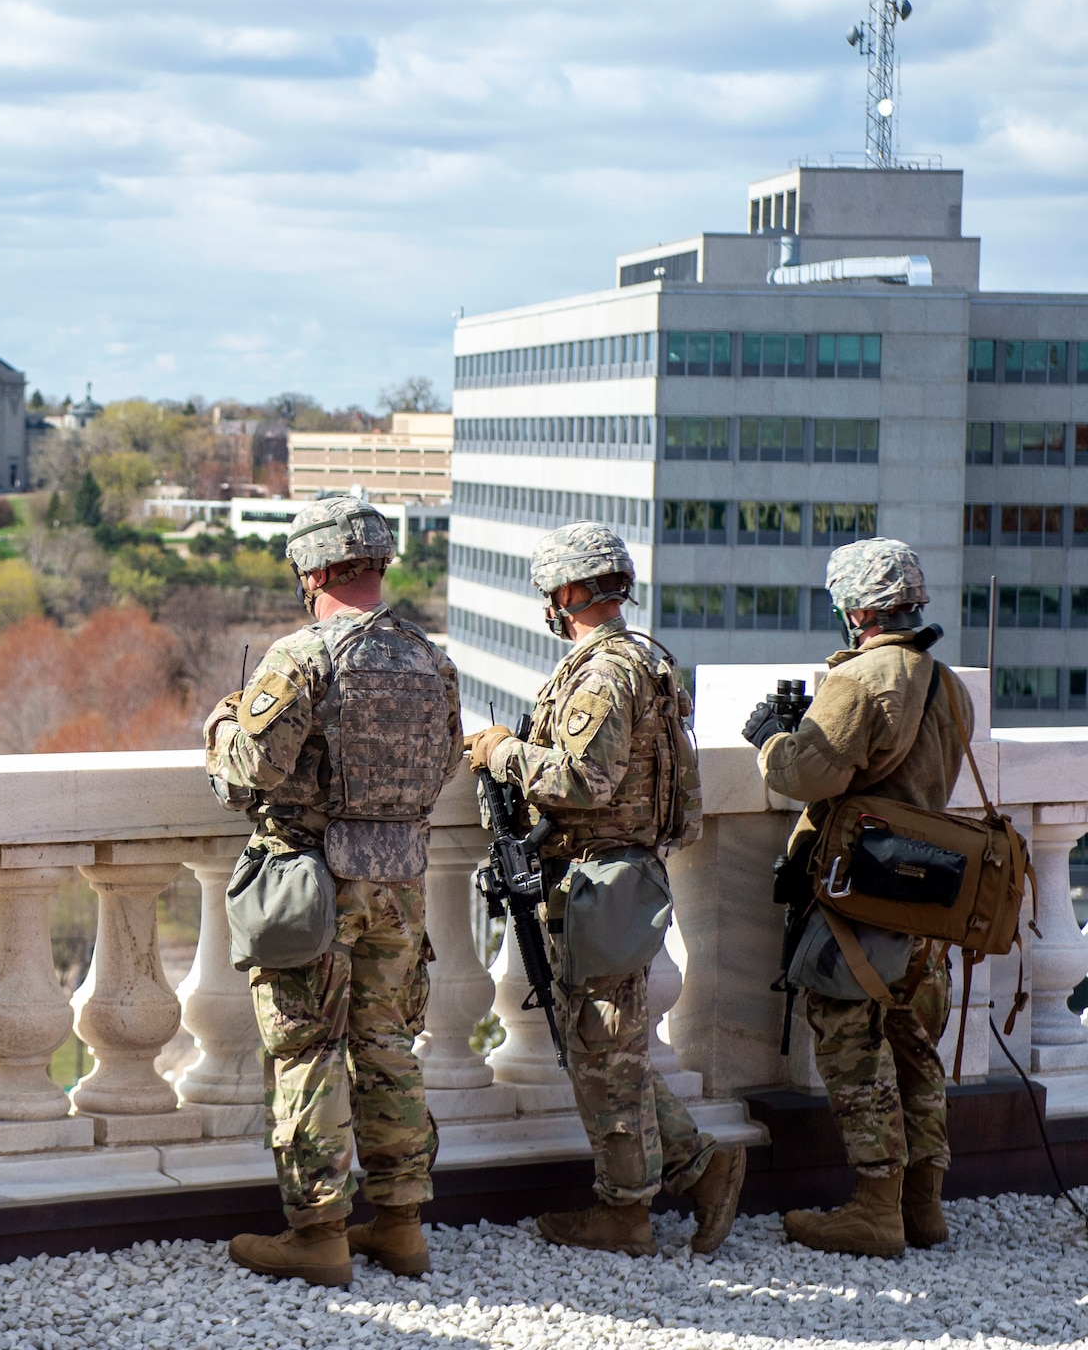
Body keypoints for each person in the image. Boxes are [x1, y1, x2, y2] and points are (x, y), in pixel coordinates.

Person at [466, 522, 744, 1259]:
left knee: (601, 1048)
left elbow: (582, 780)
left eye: (551, 594)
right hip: (612, 878)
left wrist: (502, 750)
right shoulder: (648, 660)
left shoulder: (601, 673)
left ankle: (625, 1214)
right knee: (609, 1048)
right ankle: (702, 1166)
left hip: (601, 877)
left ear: (568, 592)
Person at [204, 498, 461, 1285]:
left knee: (307, 1052)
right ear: (380, 565)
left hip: (310, 888)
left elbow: (243, 776)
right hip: (400, 887)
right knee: (389, 1052)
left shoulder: (300, 657)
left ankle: (318, 1234)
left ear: (311, 572)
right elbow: (446, 763)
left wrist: (222, 722)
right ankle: (401, 1226)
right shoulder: (431, 659)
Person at [743, 537, 966, 1258]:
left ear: (857, 608)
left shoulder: (864, 679)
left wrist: (773, 740)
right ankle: (923, 1205)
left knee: (850, 1038)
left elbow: (808, 777)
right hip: (929, 893)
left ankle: (876, 1208)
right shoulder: (946, 682)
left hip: (862, 892)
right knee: (915, 1046)